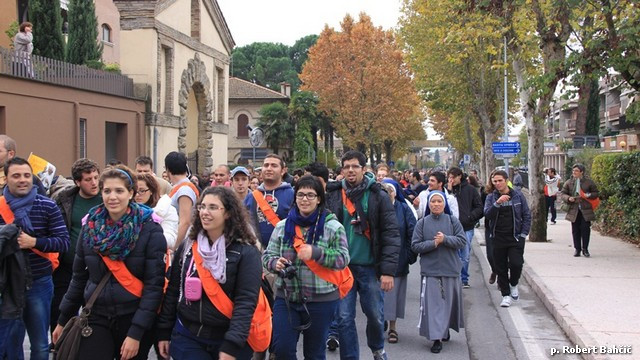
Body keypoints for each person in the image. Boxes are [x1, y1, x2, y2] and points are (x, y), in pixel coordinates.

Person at [52, 165, 167, 360]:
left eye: (119, 191)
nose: (112, 197)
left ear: (131, 193)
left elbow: (154, 287)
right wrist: (62, 319)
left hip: (133, 315)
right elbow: (78, 279)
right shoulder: (90, 228)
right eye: (107, 191)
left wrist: (136, 333)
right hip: (97, 313)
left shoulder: (150, 229)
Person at [157, 187, 262, 360]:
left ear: (228, 213)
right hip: (188, 335)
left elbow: (246, 300)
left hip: (227, 337)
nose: (205, 212)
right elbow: (174, 290)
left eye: (213, 207)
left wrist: (232, 344)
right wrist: (164, 331)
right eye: (202, 207)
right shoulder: (188, 247)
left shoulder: (246, 252)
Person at [263, 175, 350, 359]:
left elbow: (343, 258)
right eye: (301, 194)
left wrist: (316, 253)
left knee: (315, 353)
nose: (304, 199)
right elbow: (267, 256)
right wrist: (274, 263)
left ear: (319, 198)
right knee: (283, 349)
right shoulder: (282, 226)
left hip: (321, 300)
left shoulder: (333, 227)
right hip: (286, 297)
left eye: (310, 195)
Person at [325, 150, 400, 360]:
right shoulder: (332, 194)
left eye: (355, 166)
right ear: (342, 170)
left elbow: (391, 234)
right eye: (346, 166)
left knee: (375, 316)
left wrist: (387, 271)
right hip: (342, 269)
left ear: (364, 169)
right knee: (344, 318)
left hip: (370, 267)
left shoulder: (378, 195)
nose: (350, 170)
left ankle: (377, 349)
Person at [0, 157, 70, 360]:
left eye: (26, 175)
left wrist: (34, 242)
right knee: (11, 343)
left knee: (39, 343)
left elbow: (63, 242)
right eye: (16, 175)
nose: (22, 180)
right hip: (7, 285)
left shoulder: (47, 206)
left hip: (39, 282)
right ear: (7, 179)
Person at [52, 158, 102, 335]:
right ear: (78, 182)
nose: (94, 182)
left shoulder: (107, 199)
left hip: (96, 269)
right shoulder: (65, 199)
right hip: (67, 267)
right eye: (88, 179)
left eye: (96, 177)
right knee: (61, 312)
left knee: (93, 318)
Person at [411, 191, 465, 354]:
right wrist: (434, 243)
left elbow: (462, 241)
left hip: (450, 269)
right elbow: (415, 245)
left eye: (439, 202)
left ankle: (444, 329)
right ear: (428, 204)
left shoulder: (452, 221)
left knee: (448, 303)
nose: (435, 204)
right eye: (432, 201)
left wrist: (446, 239)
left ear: (444, 204)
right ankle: (436, 338)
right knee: (434, 305)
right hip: (431, 270)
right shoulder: (422, 223)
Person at [484, 170, 531, 308]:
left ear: (506, 180)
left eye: (500, 181)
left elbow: (526, 215)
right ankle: (505, 295)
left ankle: (514, 284)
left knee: (516, 263)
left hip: (515, 237)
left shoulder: (517, 195)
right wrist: (497, 203)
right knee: (501, 267)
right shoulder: (491, 197)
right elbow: (487, 214)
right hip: (498, 237)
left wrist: (523, 234)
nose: (497, 184)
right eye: (495, 181)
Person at [380, 180, 416, 344]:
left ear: (396, 193)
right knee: (377, 295)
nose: (388, 194)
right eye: (384, 191)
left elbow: (412, 232)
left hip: (398, 259)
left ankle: (393, 327)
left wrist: (409, 255)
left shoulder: (403, 209)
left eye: (390, 191)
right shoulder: (375, 208)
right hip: (378, 259)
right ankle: (380, 322)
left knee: (394, 296)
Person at [244, 154, 294, 248]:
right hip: (256, 253)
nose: (269, 168)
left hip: (283, 251)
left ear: (282, 171)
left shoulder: (292, 195)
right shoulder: (250, 197)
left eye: (274, 166)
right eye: (266, 165)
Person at [447, 167, 483, 289]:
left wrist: (470, 217)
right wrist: (449, 191)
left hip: (466, 226)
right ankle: (454, 276)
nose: (451, 180)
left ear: (459, 176)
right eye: (449, 178)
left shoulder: (470, 190)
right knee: (453, 254)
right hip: (451, 227)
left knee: (465, 254)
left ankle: (464, 278)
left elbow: (479, 207)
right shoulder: (448, 191)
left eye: (453, 177)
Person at [559, 164, 599, 257]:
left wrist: (587, 195)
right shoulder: (569, 182)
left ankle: (585, 249)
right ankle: (577, 249)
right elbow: (563, 193)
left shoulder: (589, 182)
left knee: (585, 229)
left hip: (585, 209)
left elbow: (595, 193)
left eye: (576, 171)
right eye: (573, 171)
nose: (574, 173)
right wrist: (569, 198)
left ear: (581, 172)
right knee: (575, 230)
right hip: (574, 209)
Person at [165, 151, 199, 249]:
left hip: (182, 243)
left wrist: (174, 247)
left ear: (168, 170)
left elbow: (185, 222)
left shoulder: (185, 190)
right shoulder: (180, 188)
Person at [135, 173, 179, 249]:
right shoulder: (130, 209)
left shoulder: (166, 209)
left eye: (142, 191)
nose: (137, 195)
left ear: (151, 191)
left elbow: (171, 239)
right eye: (135, 191)